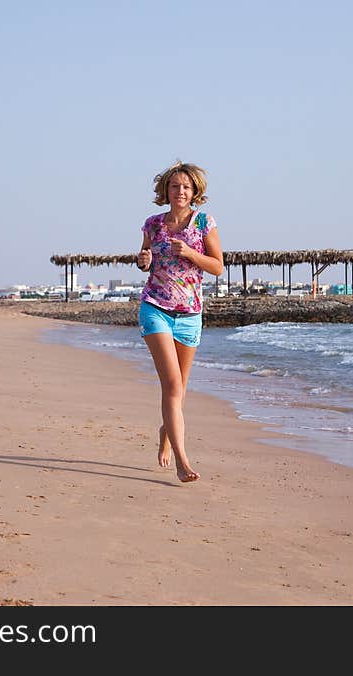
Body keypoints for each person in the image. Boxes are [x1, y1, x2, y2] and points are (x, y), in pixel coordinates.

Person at [136, 161, 224, 483]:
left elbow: (217, 267)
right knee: (172, 386)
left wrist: (188, 252)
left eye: (186, 187)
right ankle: (183, 462)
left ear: (194, 191)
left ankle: (165, 435)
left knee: (179, 392)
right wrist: (143, 260)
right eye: (175, 186)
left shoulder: (204, 222)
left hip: (189, 315)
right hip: (155, 307)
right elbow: (145, 259)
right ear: (166, 191)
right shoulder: (153, 224)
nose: (180, 191)